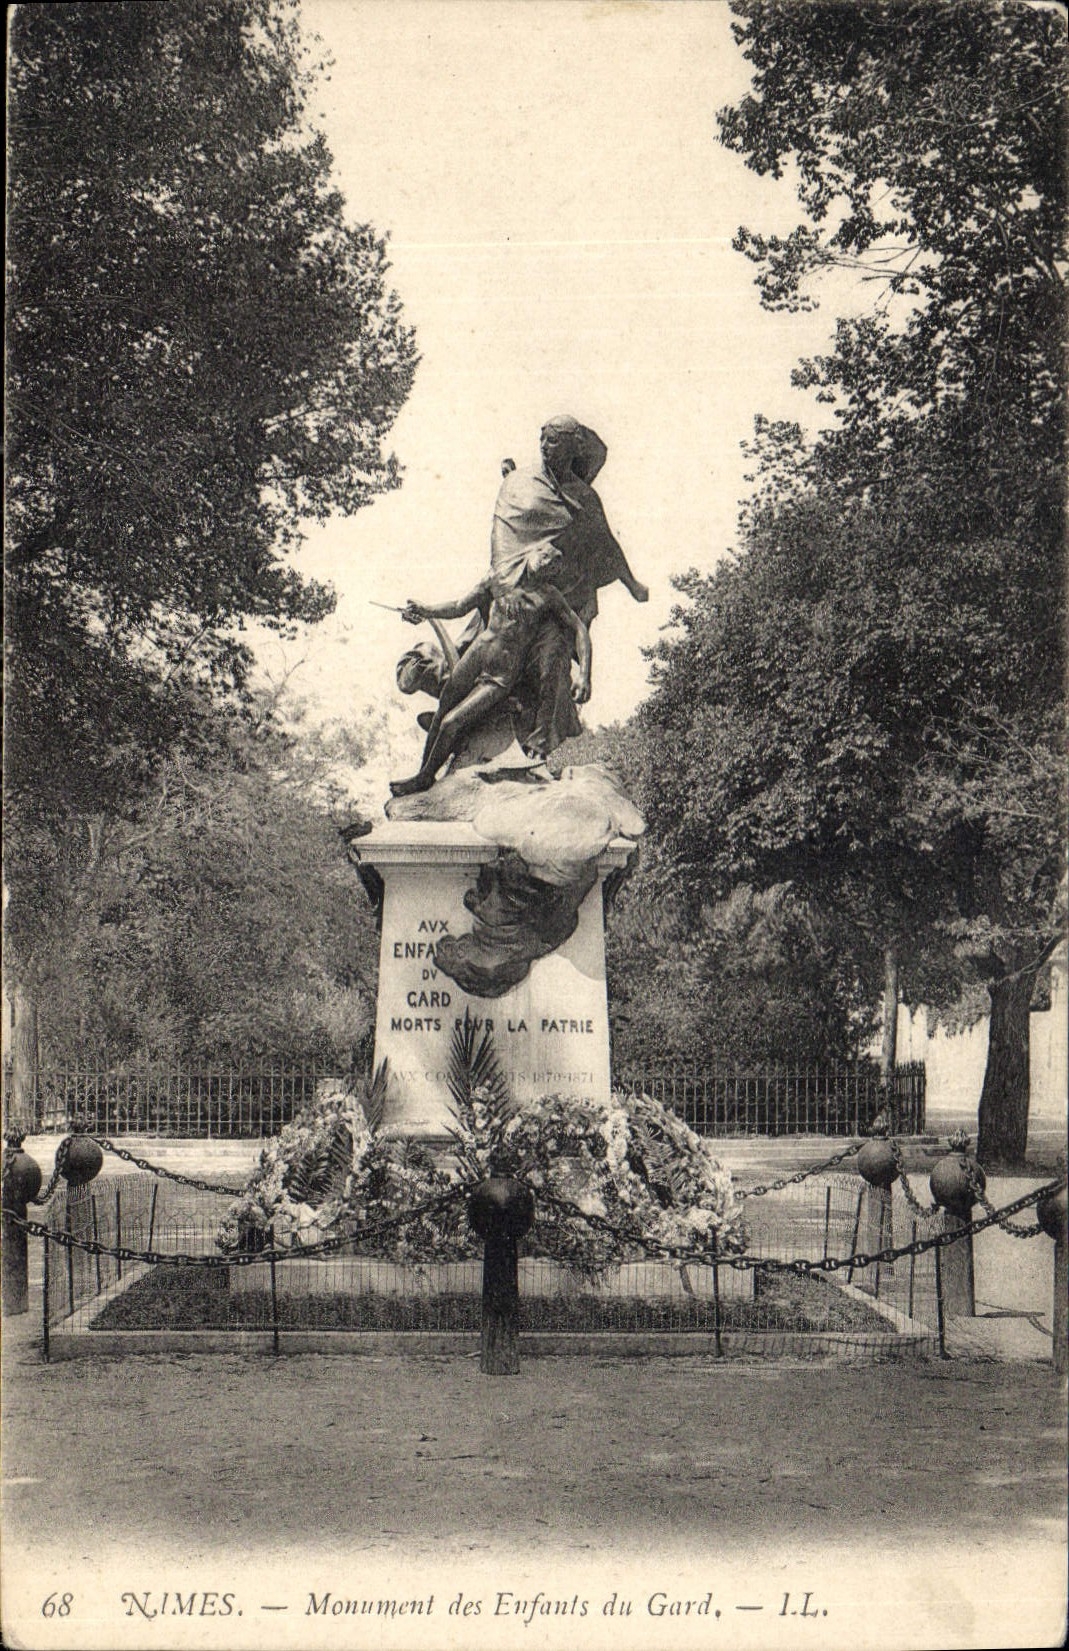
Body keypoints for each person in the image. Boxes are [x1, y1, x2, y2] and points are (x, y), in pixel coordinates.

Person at [389, 544, 591, 797]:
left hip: (500, 676)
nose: (549, 561)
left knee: (452, 722)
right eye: (545, 554)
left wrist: (584, 674)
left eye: (555, 562)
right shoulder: (499, 577)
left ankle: (426, 776)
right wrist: (425, 610)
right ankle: (424, 776)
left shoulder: (548, 596)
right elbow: (459, 606)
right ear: (531, 552)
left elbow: (579, 628)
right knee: (442, 712)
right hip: (476, 656)